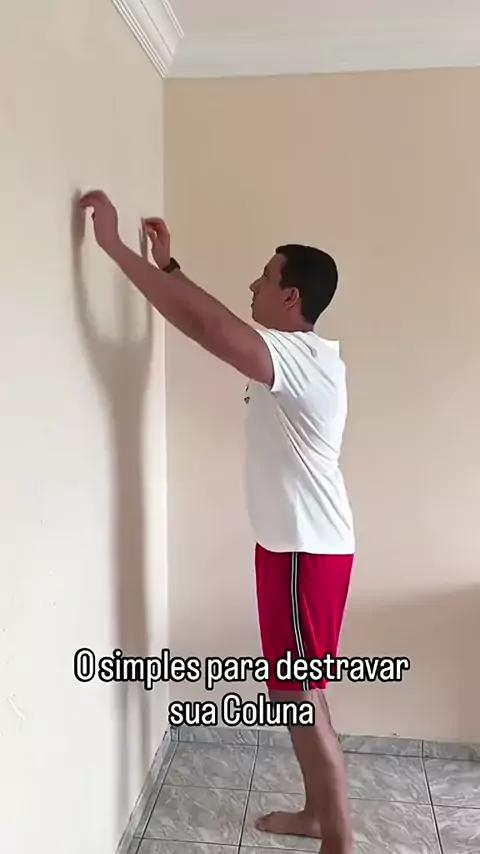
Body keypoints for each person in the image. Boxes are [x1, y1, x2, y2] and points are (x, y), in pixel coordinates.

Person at [79, 190, 355, 854]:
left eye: (265, 275)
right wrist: (169, 269)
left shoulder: (299, 360)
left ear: (291, 296)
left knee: (301, 693)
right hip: (290, 549)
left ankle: (339, 838)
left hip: (305, 552)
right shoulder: (293, 356)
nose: (254, 285)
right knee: (294, 689)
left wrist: (113, 247)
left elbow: (208, 326)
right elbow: (216, 320)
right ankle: (318, 814)